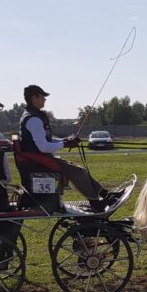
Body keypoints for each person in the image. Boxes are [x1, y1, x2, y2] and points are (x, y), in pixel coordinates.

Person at [17, 84, 120, 212]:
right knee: (77, 172)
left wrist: (65, 140)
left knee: (79, 170)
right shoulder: (34, 120)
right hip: (37, 161)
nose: (45, 99)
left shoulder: (33, 116)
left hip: (39, 158)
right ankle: (95, 203)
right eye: (42, 96)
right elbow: (43, 147)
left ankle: (105, 195)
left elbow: (47, 140)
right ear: (34, 98)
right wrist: (65, 144)